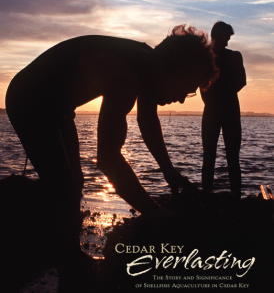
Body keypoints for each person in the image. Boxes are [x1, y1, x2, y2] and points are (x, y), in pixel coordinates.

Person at [6, 25, 217, 292]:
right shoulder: (126, 74)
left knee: (75, 182)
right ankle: (67, 265)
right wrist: (154, 212)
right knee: (62, 185)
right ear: (172, 70)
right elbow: (107, 158)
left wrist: (169, 171)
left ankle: (69, 255)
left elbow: (147, 121)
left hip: (58, 106)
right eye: (187, 88)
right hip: (28, 98)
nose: (183, 100)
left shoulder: (150, 65)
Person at [201, 21, 246, 198]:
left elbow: (242, 81)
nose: (228, 42)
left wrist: (220, 95)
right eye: (226, 38)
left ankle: (235, 194)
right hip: (216, 110)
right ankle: (207, 193)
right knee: (210, 155)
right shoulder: (205, 57)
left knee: (231, 155)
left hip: (226, 110)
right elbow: (200, 83)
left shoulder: (234, 56)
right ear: (217, 36)